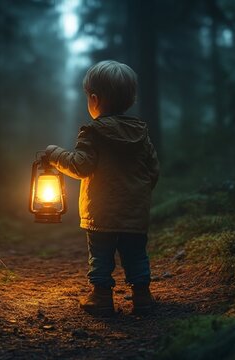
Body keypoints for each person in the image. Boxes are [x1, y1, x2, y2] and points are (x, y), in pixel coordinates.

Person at [44, 60, 160, 316]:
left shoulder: (93, 133)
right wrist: (138, 194)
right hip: (134, 212)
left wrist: (54, 154)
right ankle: (142, 296)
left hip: (101, 213)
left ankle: (101, 297)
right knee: (136, 254)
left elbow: (80, 166)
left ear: (94, 100)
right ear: (131, 99)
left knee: (101, 256)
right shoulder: (141, 134)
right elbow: (153, 170)